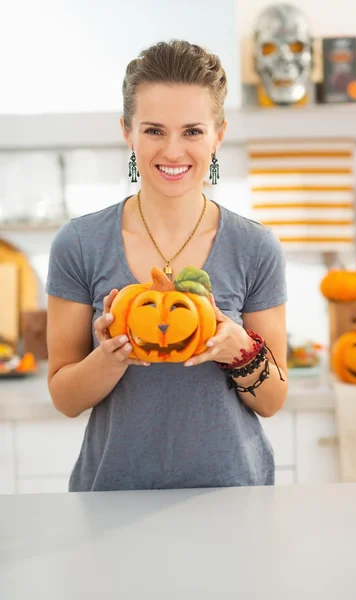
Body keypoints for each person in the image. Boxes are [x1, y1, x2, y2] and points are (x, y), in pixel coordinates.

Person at [46, 39, 288, 492]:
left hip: (232, 498)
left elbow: (273, 400)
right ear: (127, 131)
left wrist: (237, 347)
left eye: (192, 131)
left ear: (218, 134)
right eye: (154, 130)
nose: (173, 151)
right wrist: (110, 358)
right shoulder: (79, 244)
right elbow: (64, 397)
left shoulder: (256, 247)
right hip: (113, 498)